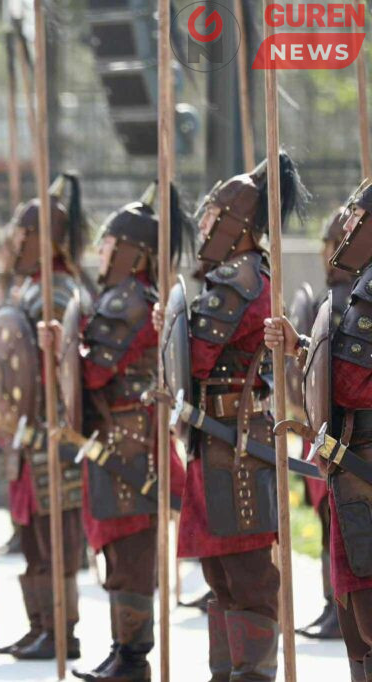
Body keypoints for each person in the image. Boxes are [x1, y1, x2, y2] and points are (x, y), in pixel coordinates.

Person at [154, 152, 308, 682]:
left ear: (235, 223)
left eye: (212, 216)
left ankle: (252, 675)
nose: (203, 225)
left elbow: (194, 360)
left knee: (246, 577)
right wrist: (170, 326)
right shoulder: (230, 278)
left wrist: (172, 330)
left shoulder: (240, 280)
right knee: (221, 577)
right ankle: (229, 674)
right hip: (217, 441)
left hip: (236, 446)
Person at [55, 183, 191, 681]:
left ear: (133, 252)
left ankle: (133, 659)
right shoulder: (120, 298)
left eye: (110, 243)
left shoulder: (130, 301)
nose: (102, 250)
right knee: (120, 557)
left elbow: (93, 373)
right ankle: (122, 650)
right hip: (118, 442)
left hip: (130, 447)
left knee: (131, 556)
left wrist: (67, 347)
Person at [265, 178, 372, 681]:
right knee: (359, 625)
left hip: (365, 473)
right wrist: (302, 348)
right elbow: (348, 368)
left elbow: (352, 382)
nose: (345, 223)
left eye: (355, 215)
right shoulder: (361, 287)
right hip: (354, 474)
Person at [0, 172, 91, 660]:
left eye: (25, 233)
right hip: (26, 436)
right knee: (32, 539)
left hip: (54, 434)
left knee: (55, 542)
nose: (16, 242)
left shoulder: (61, 290)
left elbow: (73, 365)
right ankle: (39, 626)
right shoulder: (27, 289)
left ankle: (61, 632)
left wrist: (58, 347)